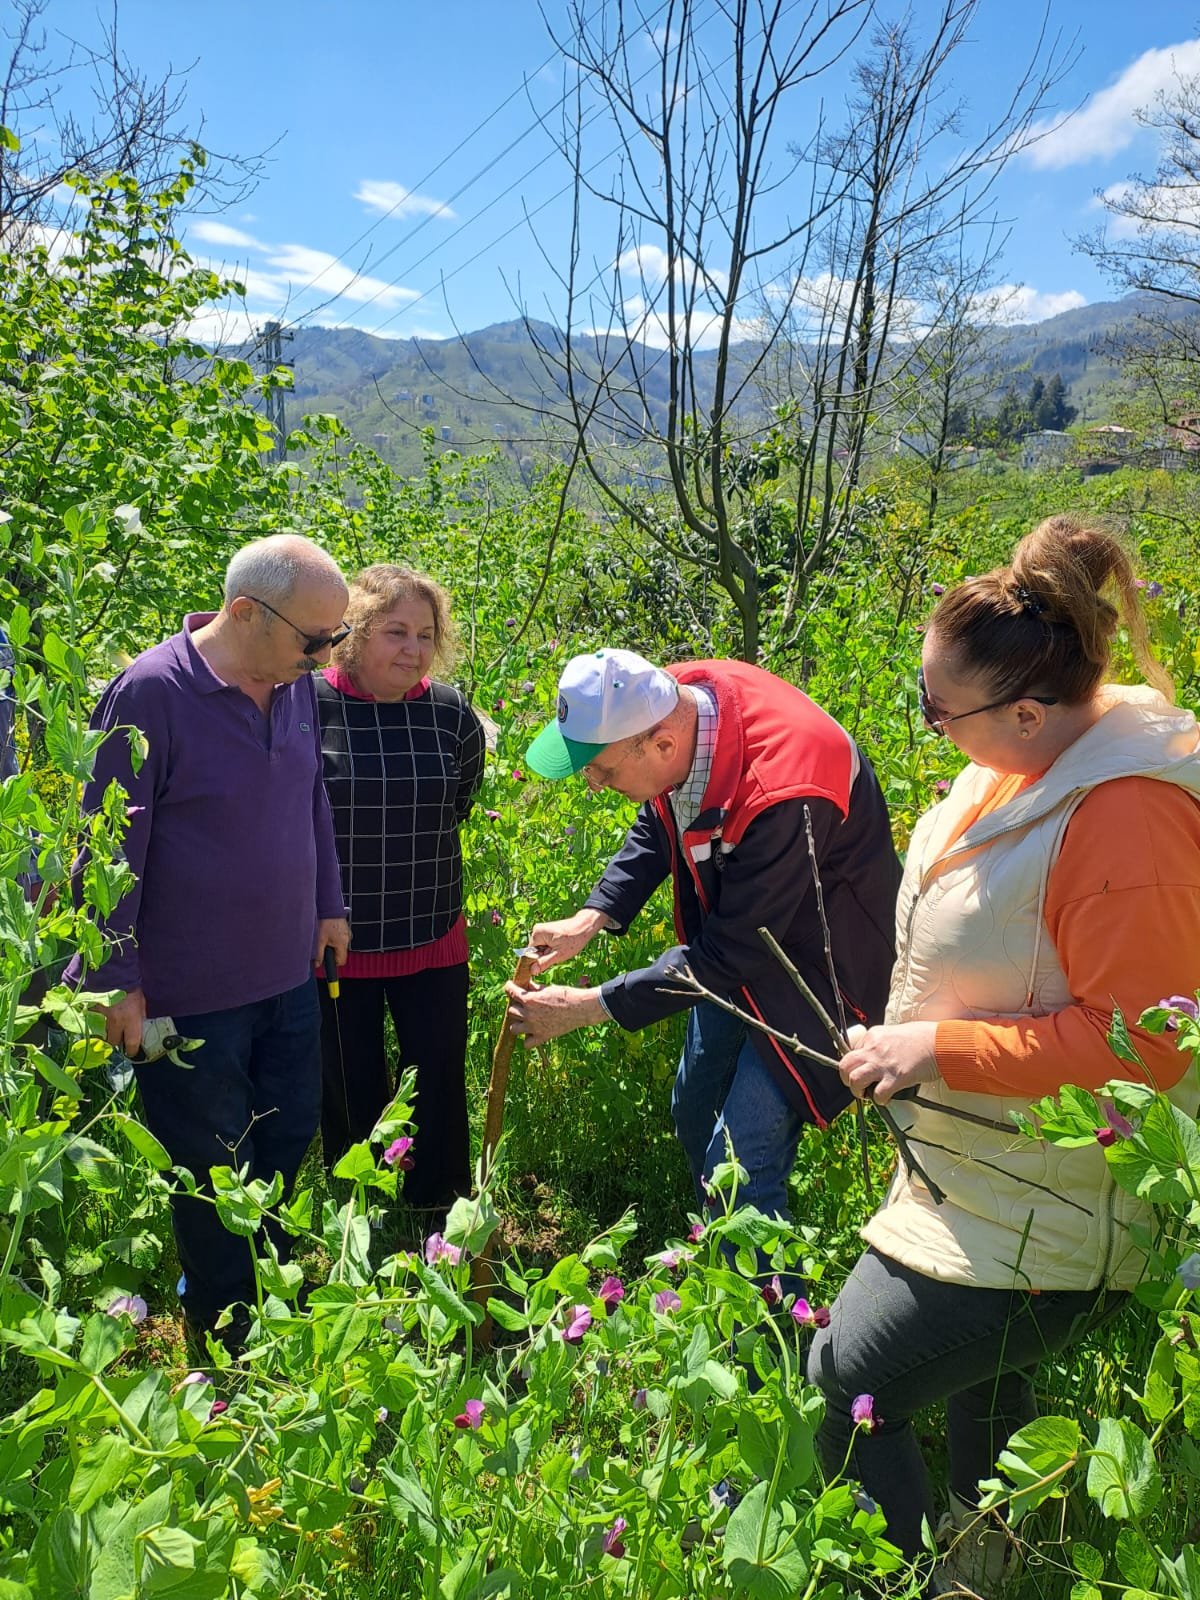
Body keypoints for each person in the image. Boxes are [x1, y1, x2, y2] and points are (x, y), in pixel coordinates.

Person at [807, 516, 1200, 1584]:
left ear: (1027, 710)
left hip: (1065, 1203)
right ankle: (994, 1565)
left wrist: (933, 1045)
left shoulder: (1125, 815)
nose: (927, 721)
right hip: (992, 1174)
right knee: (980, 1386)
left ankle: (895, 1578)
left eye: (940, 706)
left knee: (851, 1376)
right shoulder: (1027, 765)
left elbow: (1145, 1045)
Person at [66, 534, 352, 1343]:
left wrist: (329, 901)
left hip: (288, 975)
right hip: (190, 1000)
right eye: (314, 639)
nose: (327, 654)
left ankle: (269, 1296)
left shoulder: (292, 681)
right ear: (243, 613)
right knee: (209, 1168)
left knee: (289, 1134)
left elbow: (311, 800)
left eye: (336, 638)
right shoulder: (151, 694)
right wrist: (115, 977)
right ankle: (227, 1340)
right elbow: (103, 847)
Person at [506, 647, 901, 1225]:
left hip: (822, 968)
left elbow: (729, 955)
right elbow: (663, 810)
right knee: (694, 1108)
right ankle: (717, 1249)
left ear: (660, 744)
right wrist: (594, 916)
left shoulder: (785, 791)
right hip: (743, 937)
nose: (591, 783)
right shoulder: (686, 702)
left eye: (602, 769)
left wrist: (588, 1007)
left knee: (738, 1165)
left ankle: (769, 1310)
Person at [315, 564, 485, 1208]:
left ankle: (437, 1208)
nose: (412, 650)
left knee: (437, 1079)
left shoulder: (449, 714)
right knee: (351, 1086)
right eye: (395, 633)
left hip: (432, 938)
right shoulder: (307, 705)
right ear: (352, 632)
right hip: (336, 945)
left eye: (424, 634)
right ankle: (361, 1214)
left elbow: (458, 799)